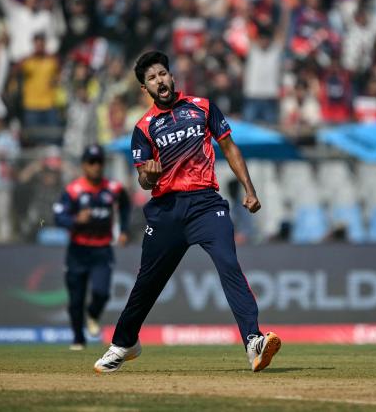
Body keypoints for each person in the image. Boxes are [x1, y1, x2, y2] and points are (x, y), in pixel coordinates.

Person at [93, 51, 281, 373]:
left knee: (229, 265)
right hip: (167, 210)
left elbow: (229, 147)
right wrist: (149, 175)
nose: (159, 80)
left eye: (163, 74)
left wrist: (249, 189)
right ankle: (124, 343)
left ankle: (253, 341)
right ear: (145, 89)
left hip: (206, 204)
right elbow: (142, 178)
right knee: (147, 282)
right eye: (151, 78)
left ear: (172, 77)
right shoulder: (143, 127)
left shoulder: (202, 107)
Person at [54, 144, 131, 350]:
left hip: (102, 249)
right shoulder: (74, 190)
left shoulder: (113, 188)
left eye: (99, 162)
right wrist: (75, 220)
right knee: (76, 299)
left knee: (102, 293)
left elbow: (125, 205)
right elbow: (58, 216)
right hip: (78, 251)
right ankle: (78, 339)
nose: (96, 166)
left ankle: (93, 314)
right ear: (84, 165)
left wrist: (123, 230)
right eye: (91, 162)